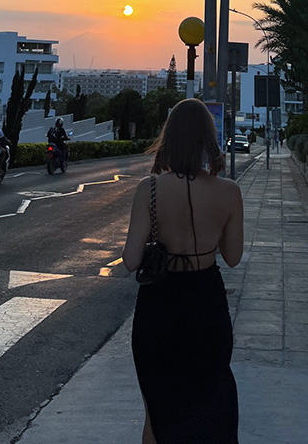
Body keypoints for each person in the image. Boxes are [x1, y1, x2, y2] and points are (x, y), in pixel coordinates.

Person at [123, 97, 243, 444]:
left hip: (159, 307)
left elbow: (130, 260)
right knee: (210, 406)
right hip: (206, 304)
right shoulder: (229, 192)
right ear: (208, 138)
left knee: (158, 412)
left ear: (169, 137)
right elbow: (233, 257)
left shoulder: (149, 189)